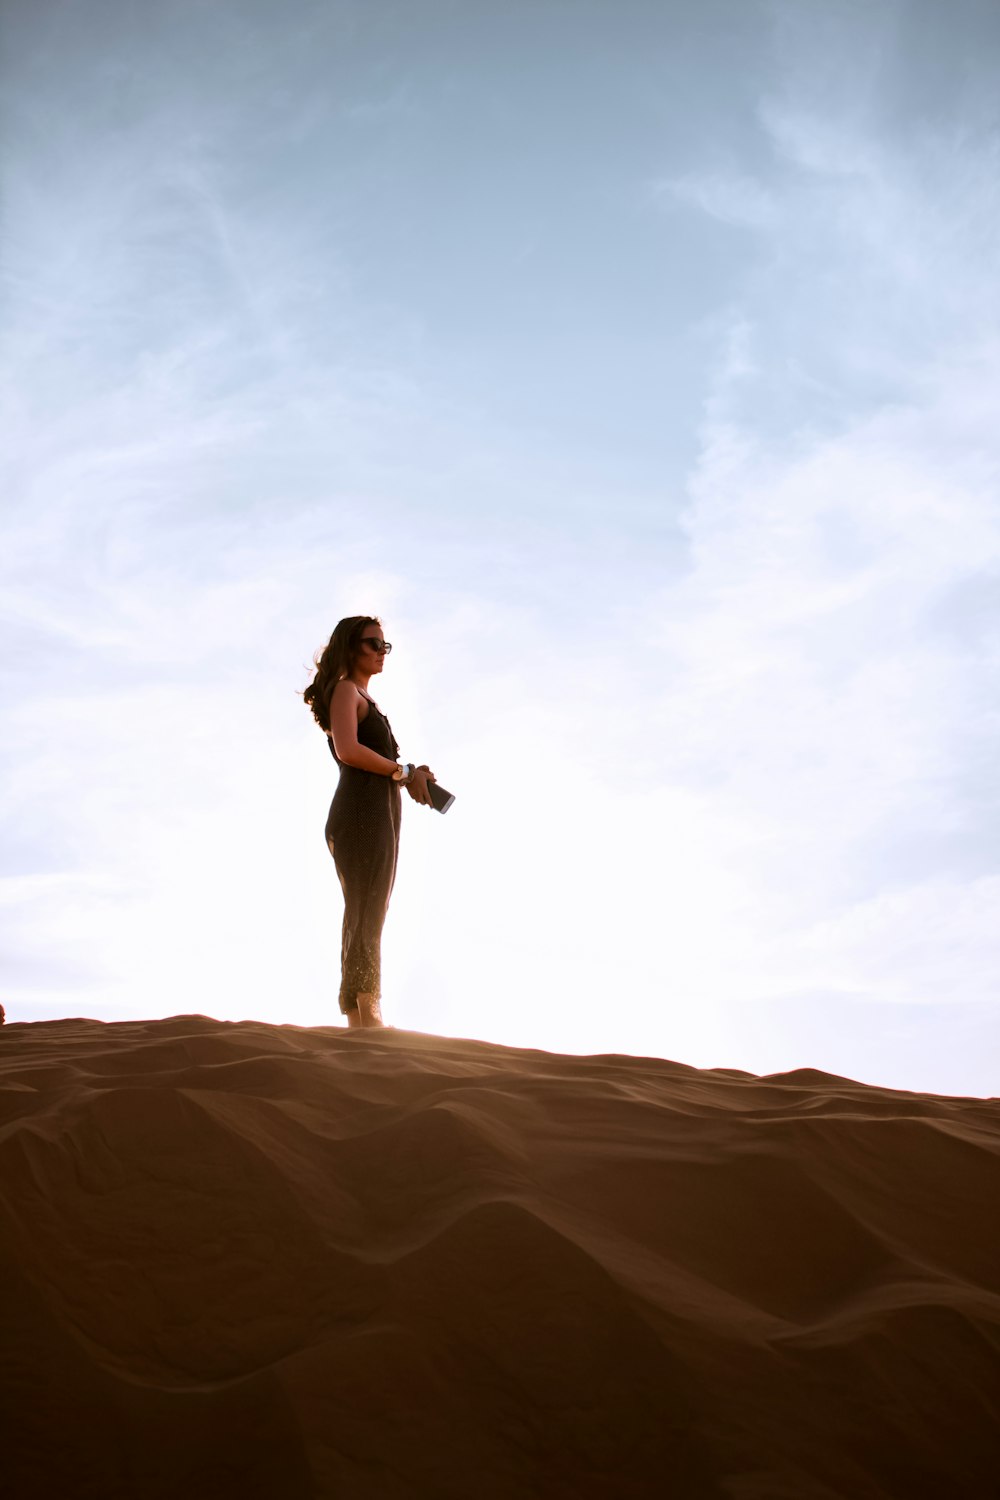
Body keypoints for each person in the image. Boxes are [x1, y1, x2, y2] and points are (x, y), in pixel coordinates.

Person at [303, 616, 436, 1029]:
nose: (381, 651)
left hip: (379, 812)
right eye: (373, 643)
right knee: (366, 907)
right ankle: (365, 1012)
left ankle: (360, 1016)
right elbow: (347, 749)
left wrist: (412, 774)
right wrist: (402, 772)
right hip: (359, 812)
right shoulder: (346, 689)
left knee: (371, 907)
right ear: (351, 646)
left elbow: (378, 761)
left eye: (385, 645)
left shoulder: (364, 697)